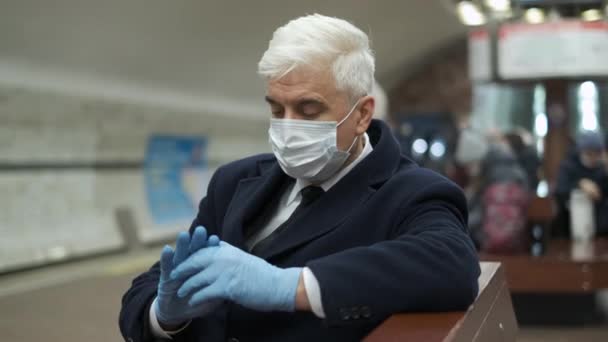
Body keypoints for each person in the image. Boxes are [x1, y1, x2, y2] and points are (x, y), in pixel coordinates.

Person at [119, 14, 480, 342]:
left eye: (309, 110)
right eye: (277, 109)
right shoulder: (233, 182)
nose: (288, 126)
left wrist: (290, 286)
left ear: (362, 114)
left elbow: (451, 265)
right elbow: (148, 291)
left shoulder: (413, 193)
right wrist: (164, 316)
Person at [453, 129, 529, 253]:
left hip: (493, 247)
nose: (469, 170)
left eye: (469, 165)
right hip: (514, 245)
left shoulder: (493, 178)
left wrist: (456, 225)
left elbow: (481, 214)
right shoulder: (514, 171)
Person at [554, 131, 608, 237]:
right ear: (580, 151)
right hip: (571, 225)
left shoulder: (602, 168)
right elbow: (560, 192)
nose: (593, 157)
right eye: (589, 153)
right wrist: (579, 184)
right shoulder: (567, 167)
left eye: (597, 153)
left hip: (600, 227)